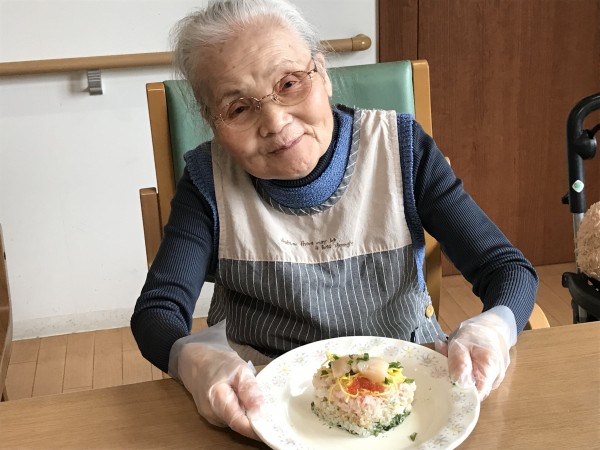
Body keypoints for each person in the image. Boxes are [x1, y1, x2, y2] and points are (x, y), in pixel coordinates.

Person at [131, 0, 538, 441]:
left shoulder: (402, 149)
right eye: (239, 108)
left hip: (409, 390)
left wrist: (494, 328)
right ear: (212, 121)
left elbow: (507, 269)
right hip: (261, 401)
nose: (275, 122)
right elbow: (158, 311)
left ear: (322, 72)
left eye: (289, 83)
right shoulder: (206, 181)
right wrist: (193, 358)